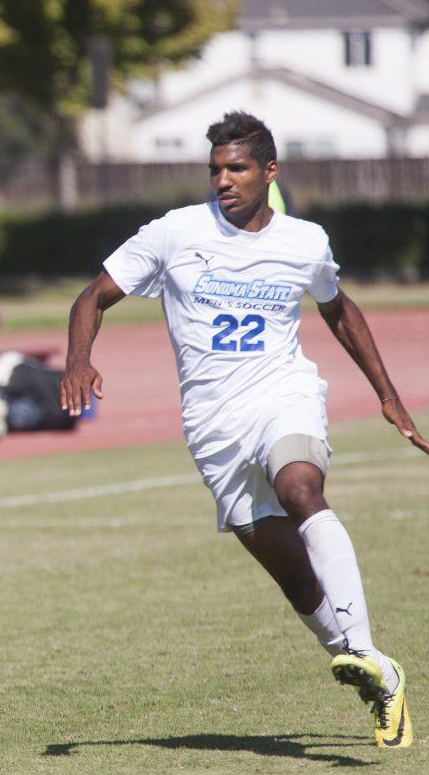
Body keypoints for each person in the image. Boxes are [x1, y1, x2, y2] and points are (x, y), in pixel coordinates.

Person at [61, 111, 423, 749]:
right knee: (293, 576)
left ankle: (363, 648)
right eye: (215, 170)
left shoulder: (304, 241)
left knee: (301, 489)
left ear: (269, 172)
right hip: (213, 425)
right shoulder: (174, 232)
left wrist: (388, 396)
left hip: (284, 395)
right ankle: (375, 670)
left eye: (237, 168)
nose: (223, 180)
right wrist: (78, 359)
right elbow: (91, 297)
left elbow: (338, 308)